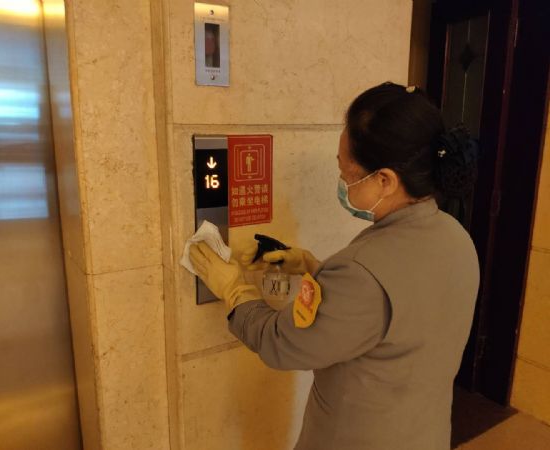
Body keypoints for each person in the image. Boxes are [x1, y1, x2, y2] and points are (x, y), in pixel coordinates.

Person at [189, 82, 480, 450]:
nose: (343, 183)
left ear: (385, 180)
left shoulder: (362, 272)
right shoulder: (456, 239)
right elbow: (394, 312)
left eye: (348, 175)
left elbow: (283, 343)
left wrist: (235, 290)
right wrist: (313, 267)